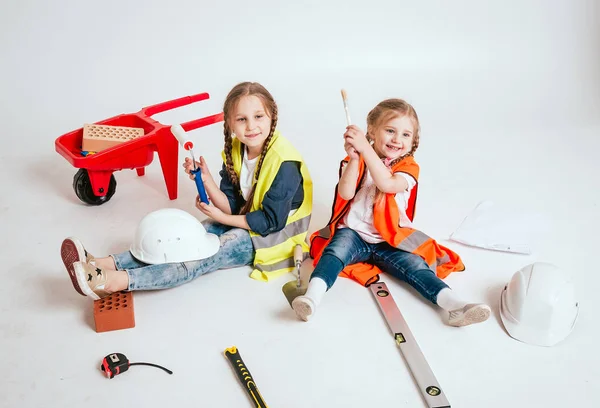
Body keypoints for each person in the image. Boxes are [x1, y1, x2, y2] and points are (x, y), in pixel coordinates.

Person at [61, 82, 313, 300]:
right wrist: (207, 181)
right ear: (230, 123)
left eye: (259, 117)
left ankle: (114, 282)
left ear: (272, 117)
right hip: (247, 221)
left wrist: (221, 218)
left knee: (200, 257)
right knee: (183, 237)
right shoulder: (237, 150)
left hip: (270, 239)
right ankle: (102, 264)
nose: (251, 126)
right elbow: (234, 206)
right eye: (241, 119)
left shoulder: (284, 163)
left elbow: (269, 221)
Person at [291, 98, 490, 326]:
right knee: (334, 252)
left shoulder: (408, 167)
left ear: (413, 140)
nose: (397, 139)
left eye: (406, 134)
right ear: (372, 131)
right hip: (354, 233)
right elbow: (345, 194)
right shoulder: (357, 158)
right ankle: (311, 299)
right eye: (390, 130)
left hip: (391, 238)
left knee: (415, 267)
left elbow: (387, 184)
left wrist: (366, 149)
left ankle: (456, 306)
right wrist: (356, 159)